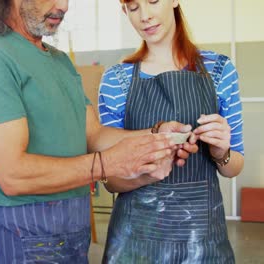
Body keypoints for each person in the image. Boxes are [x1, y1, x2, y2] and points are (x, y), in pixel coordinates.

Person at [0, 0, 196, 263]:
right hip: (20, 245)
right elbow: (12, 175)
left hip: (71, 240)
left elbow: (93, 135)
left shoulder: (59, 62)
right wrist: (110, 163)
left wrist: (156, 136)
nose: (64, 6)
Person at [98, 0, 244, 263]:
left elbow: (234, 167)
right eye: (133, 8)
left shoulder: (219, 70)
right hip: (135, 243)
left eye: (153, 1)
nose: (145, 16)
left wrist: (221, 151)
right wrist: (149, 170)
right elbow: (111, 181)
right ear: (124, 11)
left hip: (203, 243)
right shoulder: (115, 80)